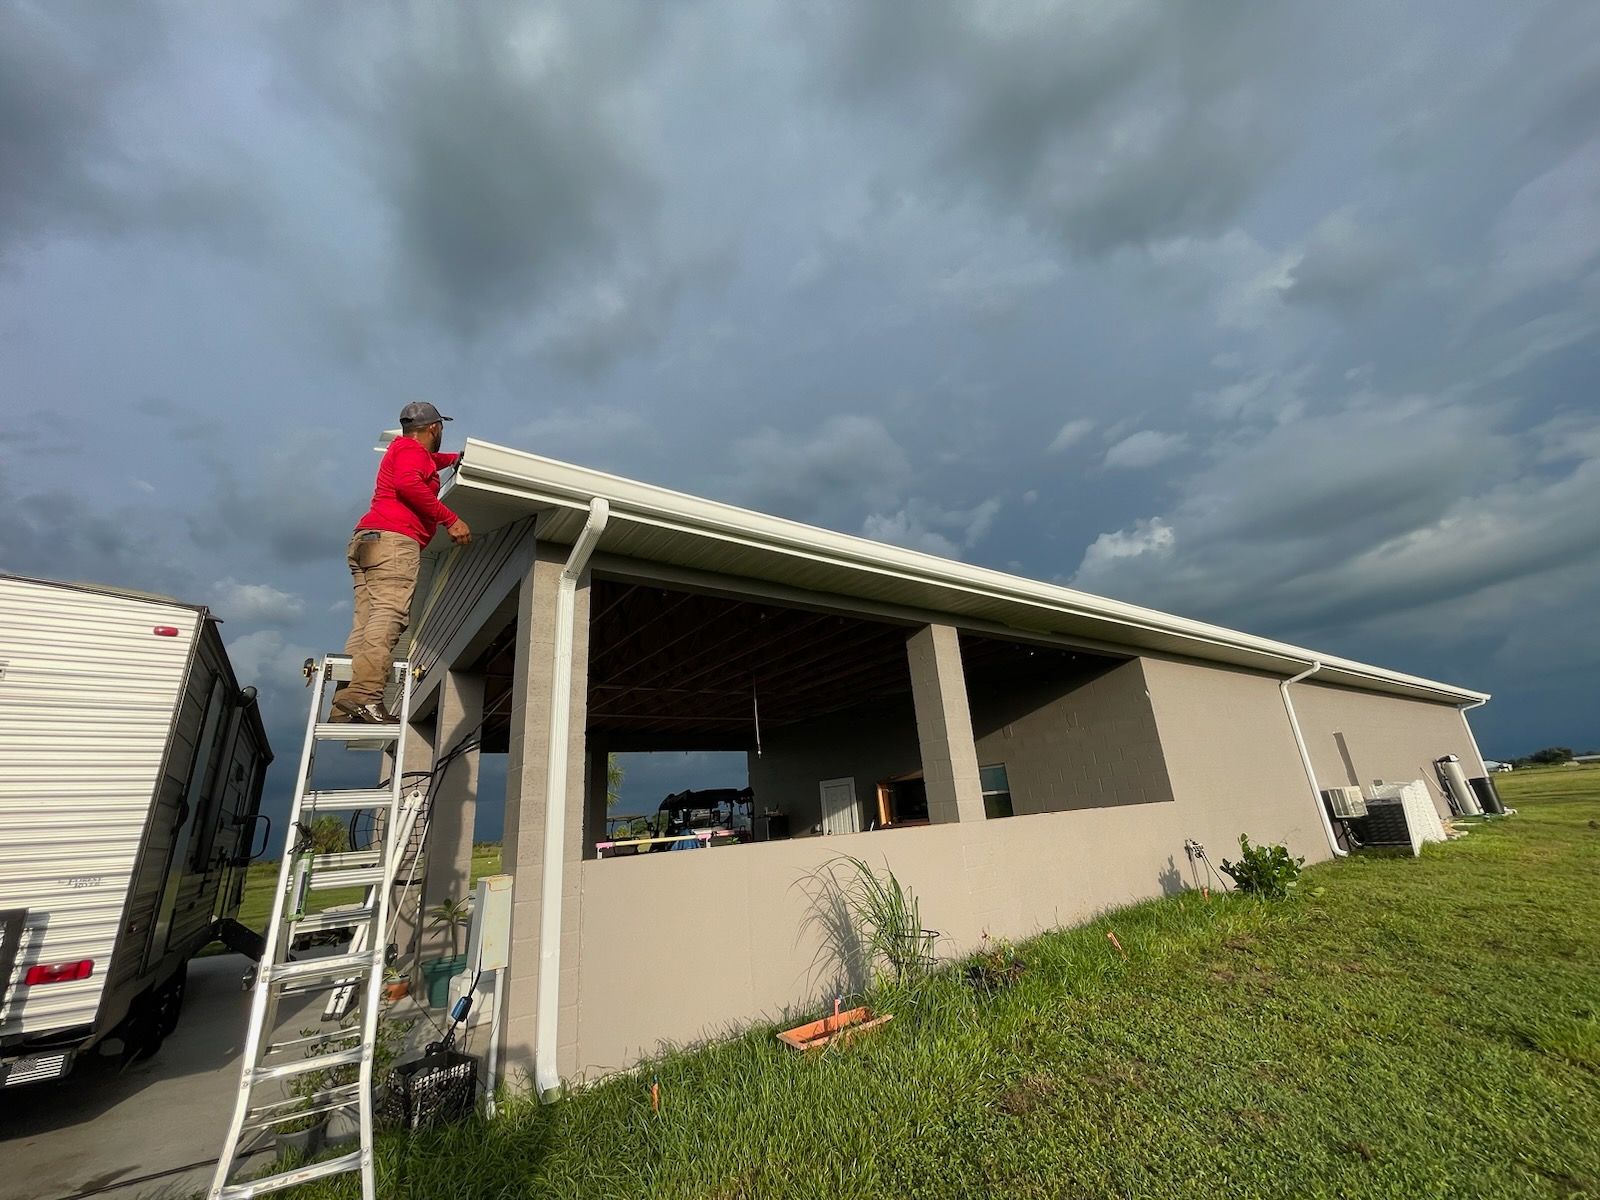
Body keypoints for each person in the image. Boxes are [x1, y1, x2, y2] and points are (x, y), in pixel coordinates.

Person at [330, 402, 472, 723]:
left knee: (365, 623)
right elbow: (409, 483)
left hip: (367, 539)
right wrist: (449, 519)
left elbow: (429, 462)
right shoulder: (411, 453)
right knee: (389, 615)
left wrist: (455, 459)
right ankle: (366, 696)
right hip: (394, 540)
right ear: (435, 428)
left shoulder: (403, 448)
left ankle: (344, 706)